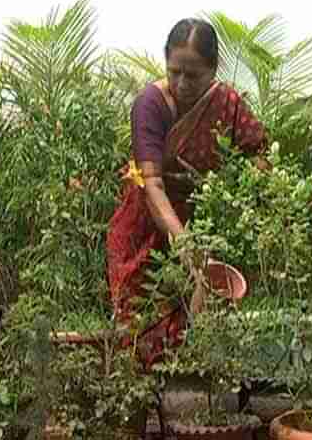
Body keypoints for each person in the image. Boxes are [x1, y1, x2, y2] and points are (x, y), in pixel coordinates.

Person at [106, 18, 267, 368]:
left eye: (193, 75)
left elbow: (259, 157)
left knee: (195, 338)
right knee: (138, 334)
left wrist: (238, 207)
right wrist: (188, 250)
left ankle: (188, 411)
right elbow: (153, 186)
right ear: (165, 62)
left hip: (200, 223)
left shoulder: (227, 104)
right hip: (146, 227)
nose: (182, 83)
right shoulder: (150, 104)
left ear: (213, 70)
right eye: (174, 71)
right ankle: (133, 415)